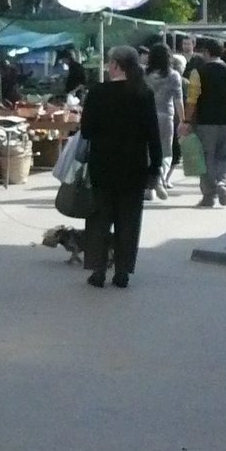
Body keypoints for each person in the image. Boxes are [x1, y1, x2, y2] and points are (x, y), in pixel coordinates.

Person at [79, 46, 164, 289]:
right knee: (129, 220)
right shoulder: (143, 93)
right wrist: (155, 165)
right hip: (134, 166)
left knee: (100, 219)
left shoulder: (98, 92)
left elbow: (86, 130)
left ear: (116, 65)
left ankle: (98, 271)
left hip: (103, 165)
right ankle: (122, 272)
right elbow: (153, 134)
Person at [182, 37, 226, 208]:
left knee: (206, 159)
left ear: (206, 52)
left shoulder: (198, 72)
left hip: (205, 123)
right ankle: (224, 183)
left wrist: (187, 120)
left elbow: (192, 100)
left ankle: (208, 196)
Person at [145, 43, 185, 197]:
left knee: (148, 152)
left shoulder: (144, 74)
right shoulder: (174, 75)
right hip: (165, 116)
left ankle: (150, 187)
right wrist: (183, 120)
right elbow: (178, 100)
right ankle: (160, 180)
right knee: (165, 151)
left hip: (146, 116)